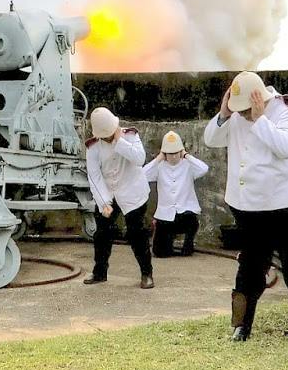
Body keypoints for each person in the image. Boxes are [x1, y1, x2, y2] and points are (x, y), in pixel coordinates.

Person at [202, 71, 288, 340]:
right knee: (250, 266)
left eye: (243, 110)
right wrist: (223, 114)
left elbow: (287, 146)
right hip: (248, 203)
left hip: (285, 201)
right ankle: (241, 325)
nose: (241, 115)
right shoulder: (235, 114)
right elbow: (212, 139)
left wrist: (259, 119)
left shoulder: (285, 109)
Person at [83, 106, 154, 288]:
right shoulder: (93, 147)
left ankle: (147, 273)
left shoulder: (130, 136)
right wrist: (103, 202)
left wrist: (119, 142)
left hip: (133, 192)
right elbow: (94, 176)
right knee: (102, 234)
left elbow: (139, 159)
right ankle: (100, 272)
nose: (107, 137)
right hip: (108, 193)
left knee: (136, 234)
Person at [144, 130, 208, 258]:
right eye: (170, 153)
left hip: (185, 212)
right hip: (166, 215)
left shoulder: (188, 165)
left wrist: (186, 155)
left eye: (176, 153)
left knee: (192, 222)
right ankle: (169, 247)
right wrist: (158, 159)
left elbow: (204, 168)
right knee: (159, 252)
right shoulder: (160, 166)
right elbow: (142, 175)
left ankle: (188, 246)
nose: (173, 157)